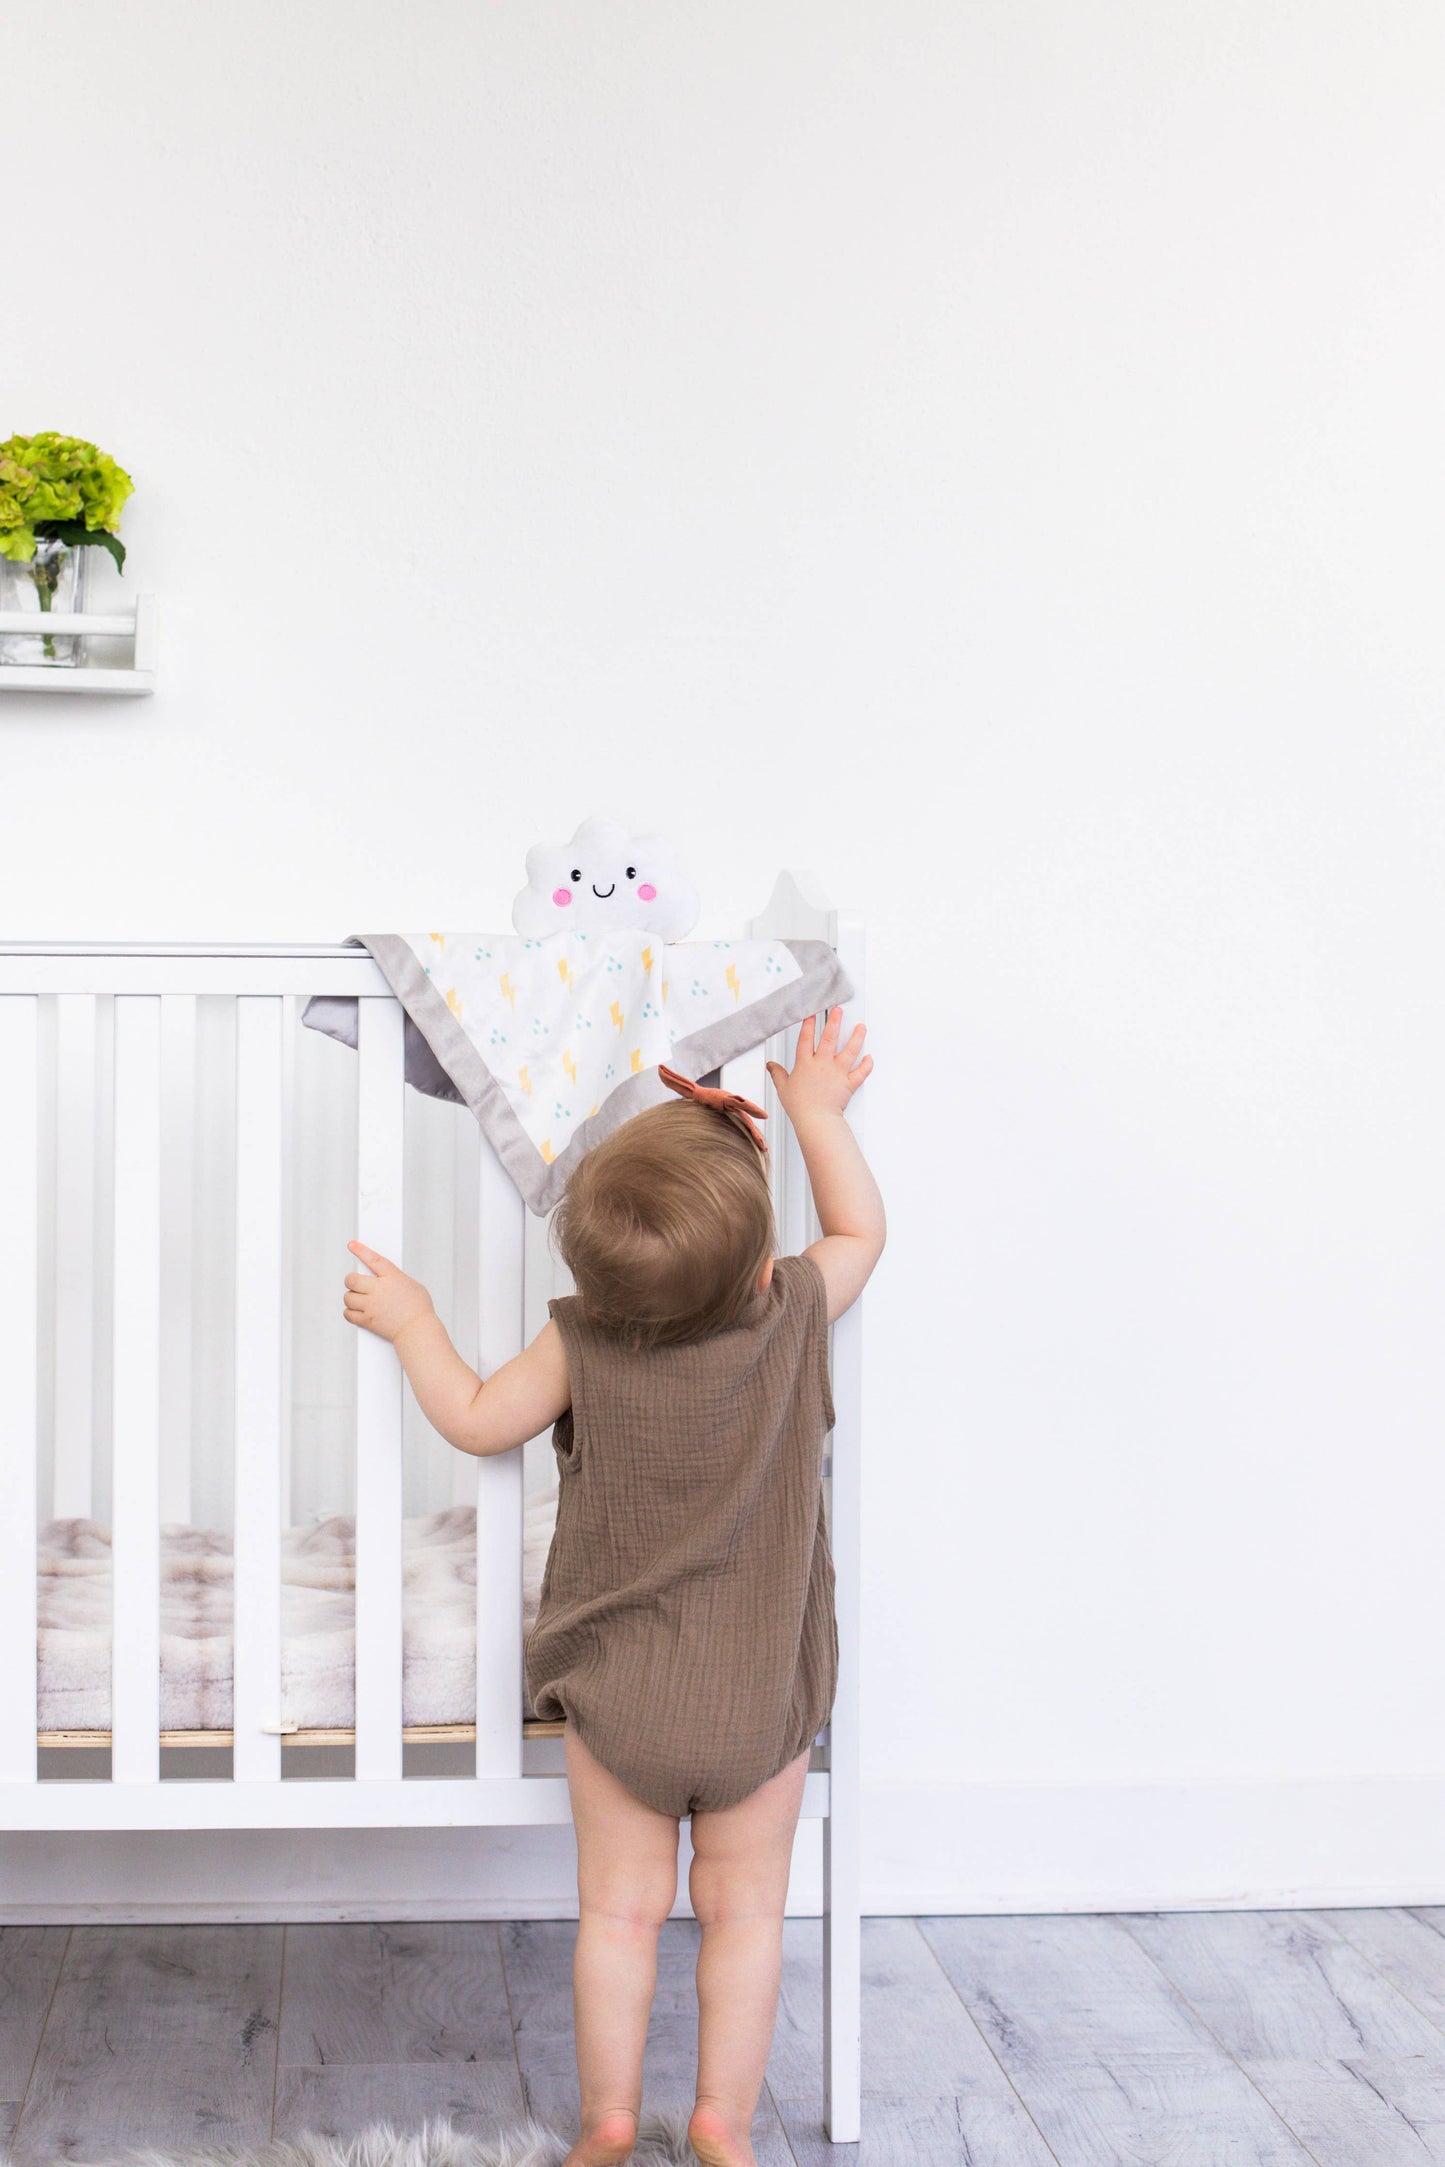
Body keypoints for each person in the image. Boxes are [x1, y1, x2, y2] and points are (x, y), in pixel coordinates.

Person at [344, 1007, 884, 2167]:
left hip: (621, 1693)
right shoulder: (792, 1313)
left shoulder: (582, 1340)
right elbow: (861, 1230)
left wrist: (414, 1320)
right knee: (742, 1913)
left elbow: (476, 1417)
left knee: (619, 1914)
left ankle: (602, 2122)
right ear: (756, 1263)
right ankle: (721, 2123)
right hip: (758, 1693)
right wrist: (818, 1116)